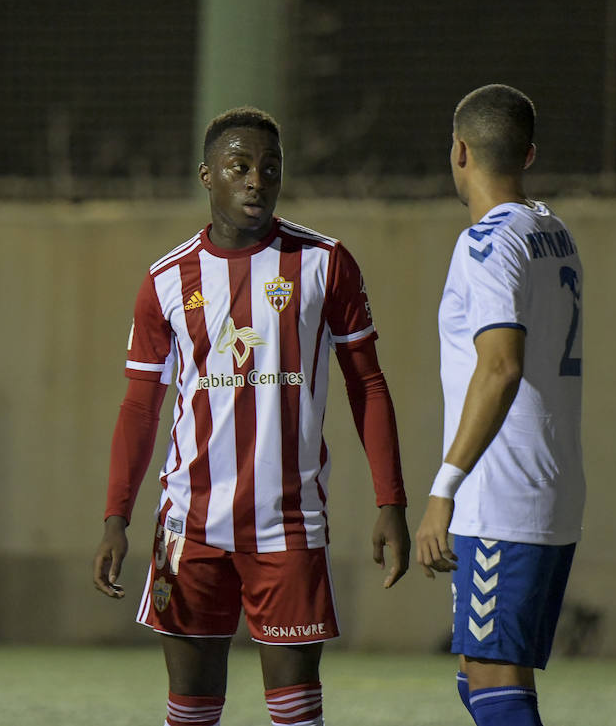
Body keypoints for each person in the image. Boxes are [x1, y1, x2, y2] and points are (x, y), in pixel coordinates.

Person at [92, 107, 411, 726]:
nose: (256, 181)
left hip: (289, 521)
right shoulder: (166, 279)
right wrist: (115, 519)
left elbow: (366, 382)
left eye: (270, 168)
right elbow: (140, 407)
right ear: (207, 175)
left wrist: (389, 501)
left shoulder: (324, 263)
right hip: (188, 522)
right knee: (190, 712)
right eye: (239, 167)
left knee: (296, 716)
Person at [414, 84, 585, 726]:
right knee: (479, 674)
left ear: (460, 151)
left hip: (500, 494)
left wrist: (443, 489)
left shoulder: (486, 243)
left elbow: (501, 366)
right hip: (550, 485)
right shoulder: (553, 232)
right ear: (529, 154)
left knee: (493, 677)